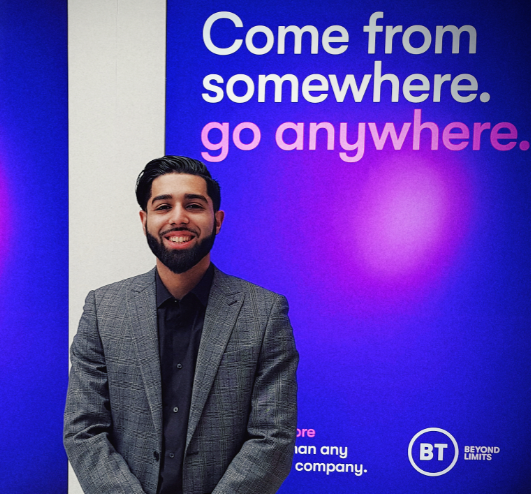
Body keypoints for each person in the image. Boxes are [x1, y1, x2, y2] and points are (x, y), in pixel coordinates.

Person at [64, 156, 298, 494]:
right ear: (145, 220)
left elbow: (273, 438)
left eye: (193, 205)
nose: (178, 218)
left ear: (217, 220)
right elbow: (82, 430)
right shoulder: (104, 309)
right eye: (163, 206)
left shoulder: (264, 313)